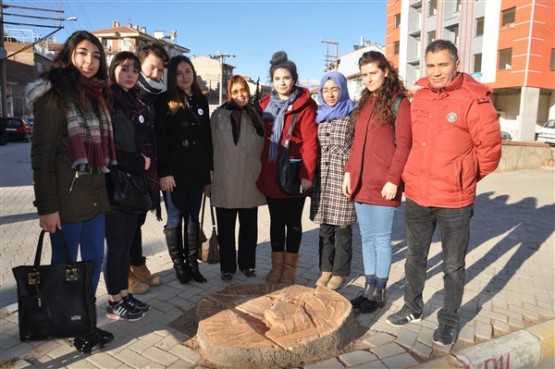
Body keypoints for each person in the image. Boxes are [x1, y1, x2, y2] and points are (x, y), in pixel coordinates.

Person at [386, 40, 502, 346]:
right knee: (415, 258)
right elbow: (407, 141)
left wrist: (464, 177)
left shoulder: (474, 100)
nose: (436, 71)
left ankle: (449, 320)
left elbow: (490, 150)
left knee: (453, 266)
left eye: (443, 64)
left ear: (456, 64)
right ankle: (412, 308)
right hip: (418, 196)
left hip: (455, 200)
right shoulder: (419, 98)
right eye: (432, 65)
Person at [26, 30, 115, 353]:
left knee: (93, 262)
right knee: (65, 266)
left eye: (95, 55)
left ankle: (85, 322)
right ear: (69, 55)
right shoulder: (54, 96)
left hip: (94, 197)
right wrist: (46, 208)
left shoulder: (97, 95)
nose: (89, 61)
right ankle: (66, 322)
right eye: (82, 53)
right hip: (64, 202)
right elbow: (42, 156)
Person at [343, 51, 412, 313]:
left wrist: (394, 180)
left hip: (385, 184)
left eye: (373, 73)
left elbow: (404, 145)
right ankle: (368, 288)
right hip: (361, 183)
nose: (369, 78)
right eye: (365, 74)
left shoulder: (399, 102)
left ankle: (379, 291)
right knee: (367, 237)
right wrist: (349, 173)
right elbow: (355, 144)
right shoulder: (365, 103)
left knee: (381, 239)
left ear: (385, 71)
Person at [257, 51, 318, 285]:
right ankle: (277, 265)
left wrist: (307, 175)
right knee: (275, 221)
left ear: (294, 79)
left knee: (293, 222)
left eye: (287, 78)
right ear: (272, 81)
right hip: (272, 174)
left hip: (294, 174)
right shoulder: (264, 106)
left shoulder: (305, 107)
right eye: (278, 78)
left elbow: (311, 144)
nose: (282, 82)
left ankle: (290, 268)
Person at [104, 51, 154, 321]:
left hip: (134, 182)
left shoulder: (136, 99)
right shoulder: (109, 100)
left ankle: (123, 293)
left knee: (125, 246)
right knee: (115, 247)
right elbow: (109, 149)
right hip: (116, 184)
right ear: (113, 69)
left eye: (135, 69)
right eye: (124, 68)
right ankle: (113, 301)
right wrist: (138, 160)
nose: (130, 74)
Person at [155, 55, 212, 284]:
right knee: (175, 219)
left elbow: (207, 138)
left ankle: (192, 264)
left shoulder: (201, 100)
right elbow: (161, 139)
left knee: (193, 219)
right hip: (174, 173)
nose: (185, 77)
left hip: (197, 171)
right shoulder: (163, 100)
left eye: (188, 71)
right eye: (179, 73)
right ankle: (178, 266)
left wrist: (210, 171)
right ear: (172, 77)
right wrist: (164, 172)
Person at [210, 75, 266, 281]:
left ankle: (247, 264)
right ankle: (227, 267)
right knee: (226, 228)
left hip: (250, 179)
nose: (240, 95)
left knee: (249, 227)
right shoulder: (218, 116)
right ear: (229, 94)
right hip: (225, 179)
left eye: (243, 90)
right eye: (235, 91)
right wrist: (209, 176)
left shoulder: (257, 115)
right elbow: (209, 147)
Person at [127, 42, 169, 294]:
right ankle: (123, 273)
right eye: (151, 67)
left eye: (160, 70)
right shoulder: (127, 94)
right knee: (124, 226)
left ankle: (137, 264)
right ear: (139, 66)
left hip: (147, 172)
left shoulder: (155, 99)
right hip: (126, 172)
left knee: (137, 221)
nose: (156, 74)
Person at [310, 71, 357, 290]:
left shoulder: (352, 114)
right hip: (322, 176)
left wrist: (352, 173)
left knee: (343, 229)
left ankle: (340, 272)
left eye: (334, 89)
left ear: (342, 89)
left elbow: (357, 148)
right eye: (325, 90)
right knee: (325, 228)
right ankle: (325, 269)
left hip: (343, 176)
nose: (330, 94)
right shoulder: (319, 114)